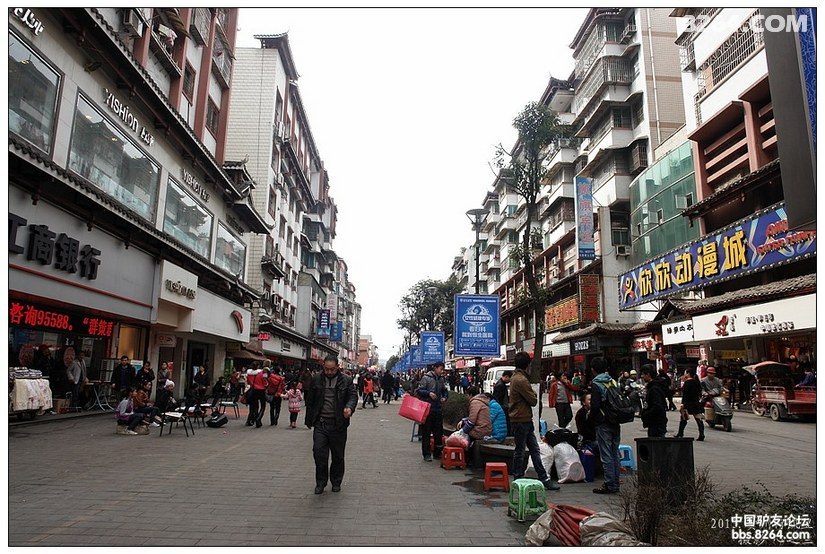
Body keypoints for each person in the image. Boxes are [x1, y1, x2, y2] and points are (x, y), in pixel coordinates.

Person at [304, 355, 357, 494]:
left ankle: (336, 481)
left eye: (332, 369)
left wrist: (349, 408)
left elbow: (352, 396)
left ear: (337, 367)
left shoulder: (346, 380)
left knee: (338, 455)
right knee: (319, 454)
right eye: (326, 369)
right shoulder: (317, 379)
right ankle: (320, 482)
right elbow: (310, 400)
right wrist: (309, 419)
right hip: (320, 424)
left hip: (338, 424)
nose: (329, 372)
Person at [509, 351, 559, 491]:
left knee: (534, 449)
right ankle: (518, 478)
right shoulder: (521, 380)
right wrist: (534, 393)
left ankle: (543, 477)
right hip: (521, 419)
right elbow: (532, 400)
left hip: (523, 419)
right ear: (528, 365)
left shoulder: (517, 377)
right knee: (521, 450)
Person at [587, 356, 621, 494]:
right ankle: (615, 482)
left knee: (606, 454)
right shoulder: (612, 381)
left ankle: (609, 484)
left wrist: (591, 419)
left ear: (593, 370)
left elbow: (595, 406)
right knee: (615, 453)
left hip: (603, 422)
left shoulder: (596, 384)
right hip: (616, 420)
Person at [416, 362, 449, 462]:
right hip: (428, 409)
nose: (442, 371)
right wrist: (428, 393)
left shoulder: (441, 379)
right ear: (435, 368)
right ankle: (426, 454)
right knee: (426, 432)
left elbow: (444, 391)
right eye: (440, 369)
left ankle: (437, 453)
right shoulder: (426, 378)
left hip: (438, 409)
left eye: (443, 369)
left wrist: (444, 397)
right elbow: (419, 391)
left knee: (438, 433)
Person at [640, 364, 668, 438]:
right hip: (654, 423)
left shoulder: (654, 389)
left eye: (643, 374)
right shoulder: (652, 387)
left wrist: (646, 414)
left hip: (657, 424)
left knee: (656, 447)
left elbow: (657, 406)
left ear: (648, 374)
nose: (642, 376)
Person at [676, 368, 704, 441]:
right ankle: (702, 434)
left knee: (683, 418)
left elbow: (685, 395)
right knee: (698, 418)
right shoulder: (696, 382)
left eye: (685, 373)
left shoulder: (687, 383)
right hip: (695, 402)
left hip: (687, 403)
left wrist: (682, 404)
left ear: (688, 374)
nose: (684, 375)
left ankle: (680, 433)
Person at [492, 370, 512, 436]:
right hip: (503, 407)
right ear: (506, 377)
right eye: (510, 378)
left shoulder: (501, 384)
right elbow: (498, 398)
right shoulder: (500, 385)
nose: (510, 381)